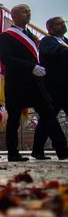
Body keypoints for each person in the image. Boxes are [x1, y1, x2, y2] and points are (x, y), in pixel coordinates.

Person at [0, 4, 68, 161]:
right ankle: (13, 153)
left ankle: (62, 149)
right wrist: (31, 67)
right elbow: (7, 59)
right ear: (14, 16)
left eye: (29, 11)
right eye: (24, 11)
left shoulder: (33, 37)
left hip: (36, 83)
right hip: (17, 83)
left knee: (48, 114)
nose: (28, 14)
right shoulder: (5, 37)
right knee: (14, 119)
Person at [32, 17, 68, 160]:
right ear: (51, 28)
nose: (63, 25)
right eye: (59, 23)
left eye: (63, 23)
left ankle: (37, 149)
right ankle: (38, 149)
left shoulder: (65, 41)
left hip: (66, 87)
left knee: (47, 120)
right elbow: (56, 52)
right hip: (54, 88)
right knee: (48, 119)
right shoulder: (48, 41)